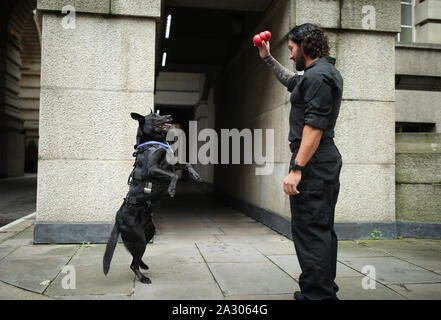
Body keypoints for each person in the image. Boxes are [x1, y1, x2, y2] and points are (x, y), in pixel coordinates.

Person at [256, 23, 343, 300]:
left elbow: (313, 129)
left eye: (292, 49)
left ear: (306, 44)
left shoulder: (318, 78)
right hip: (321, 160)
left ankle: (318, 296)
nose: (291, 55)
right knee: (320, 228)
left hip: (313, 161)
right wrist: (268, 58)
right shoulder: (316, 75)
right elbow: (291, 81)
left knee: (310, 230)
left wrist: (297, 169)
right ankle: (321, 288)